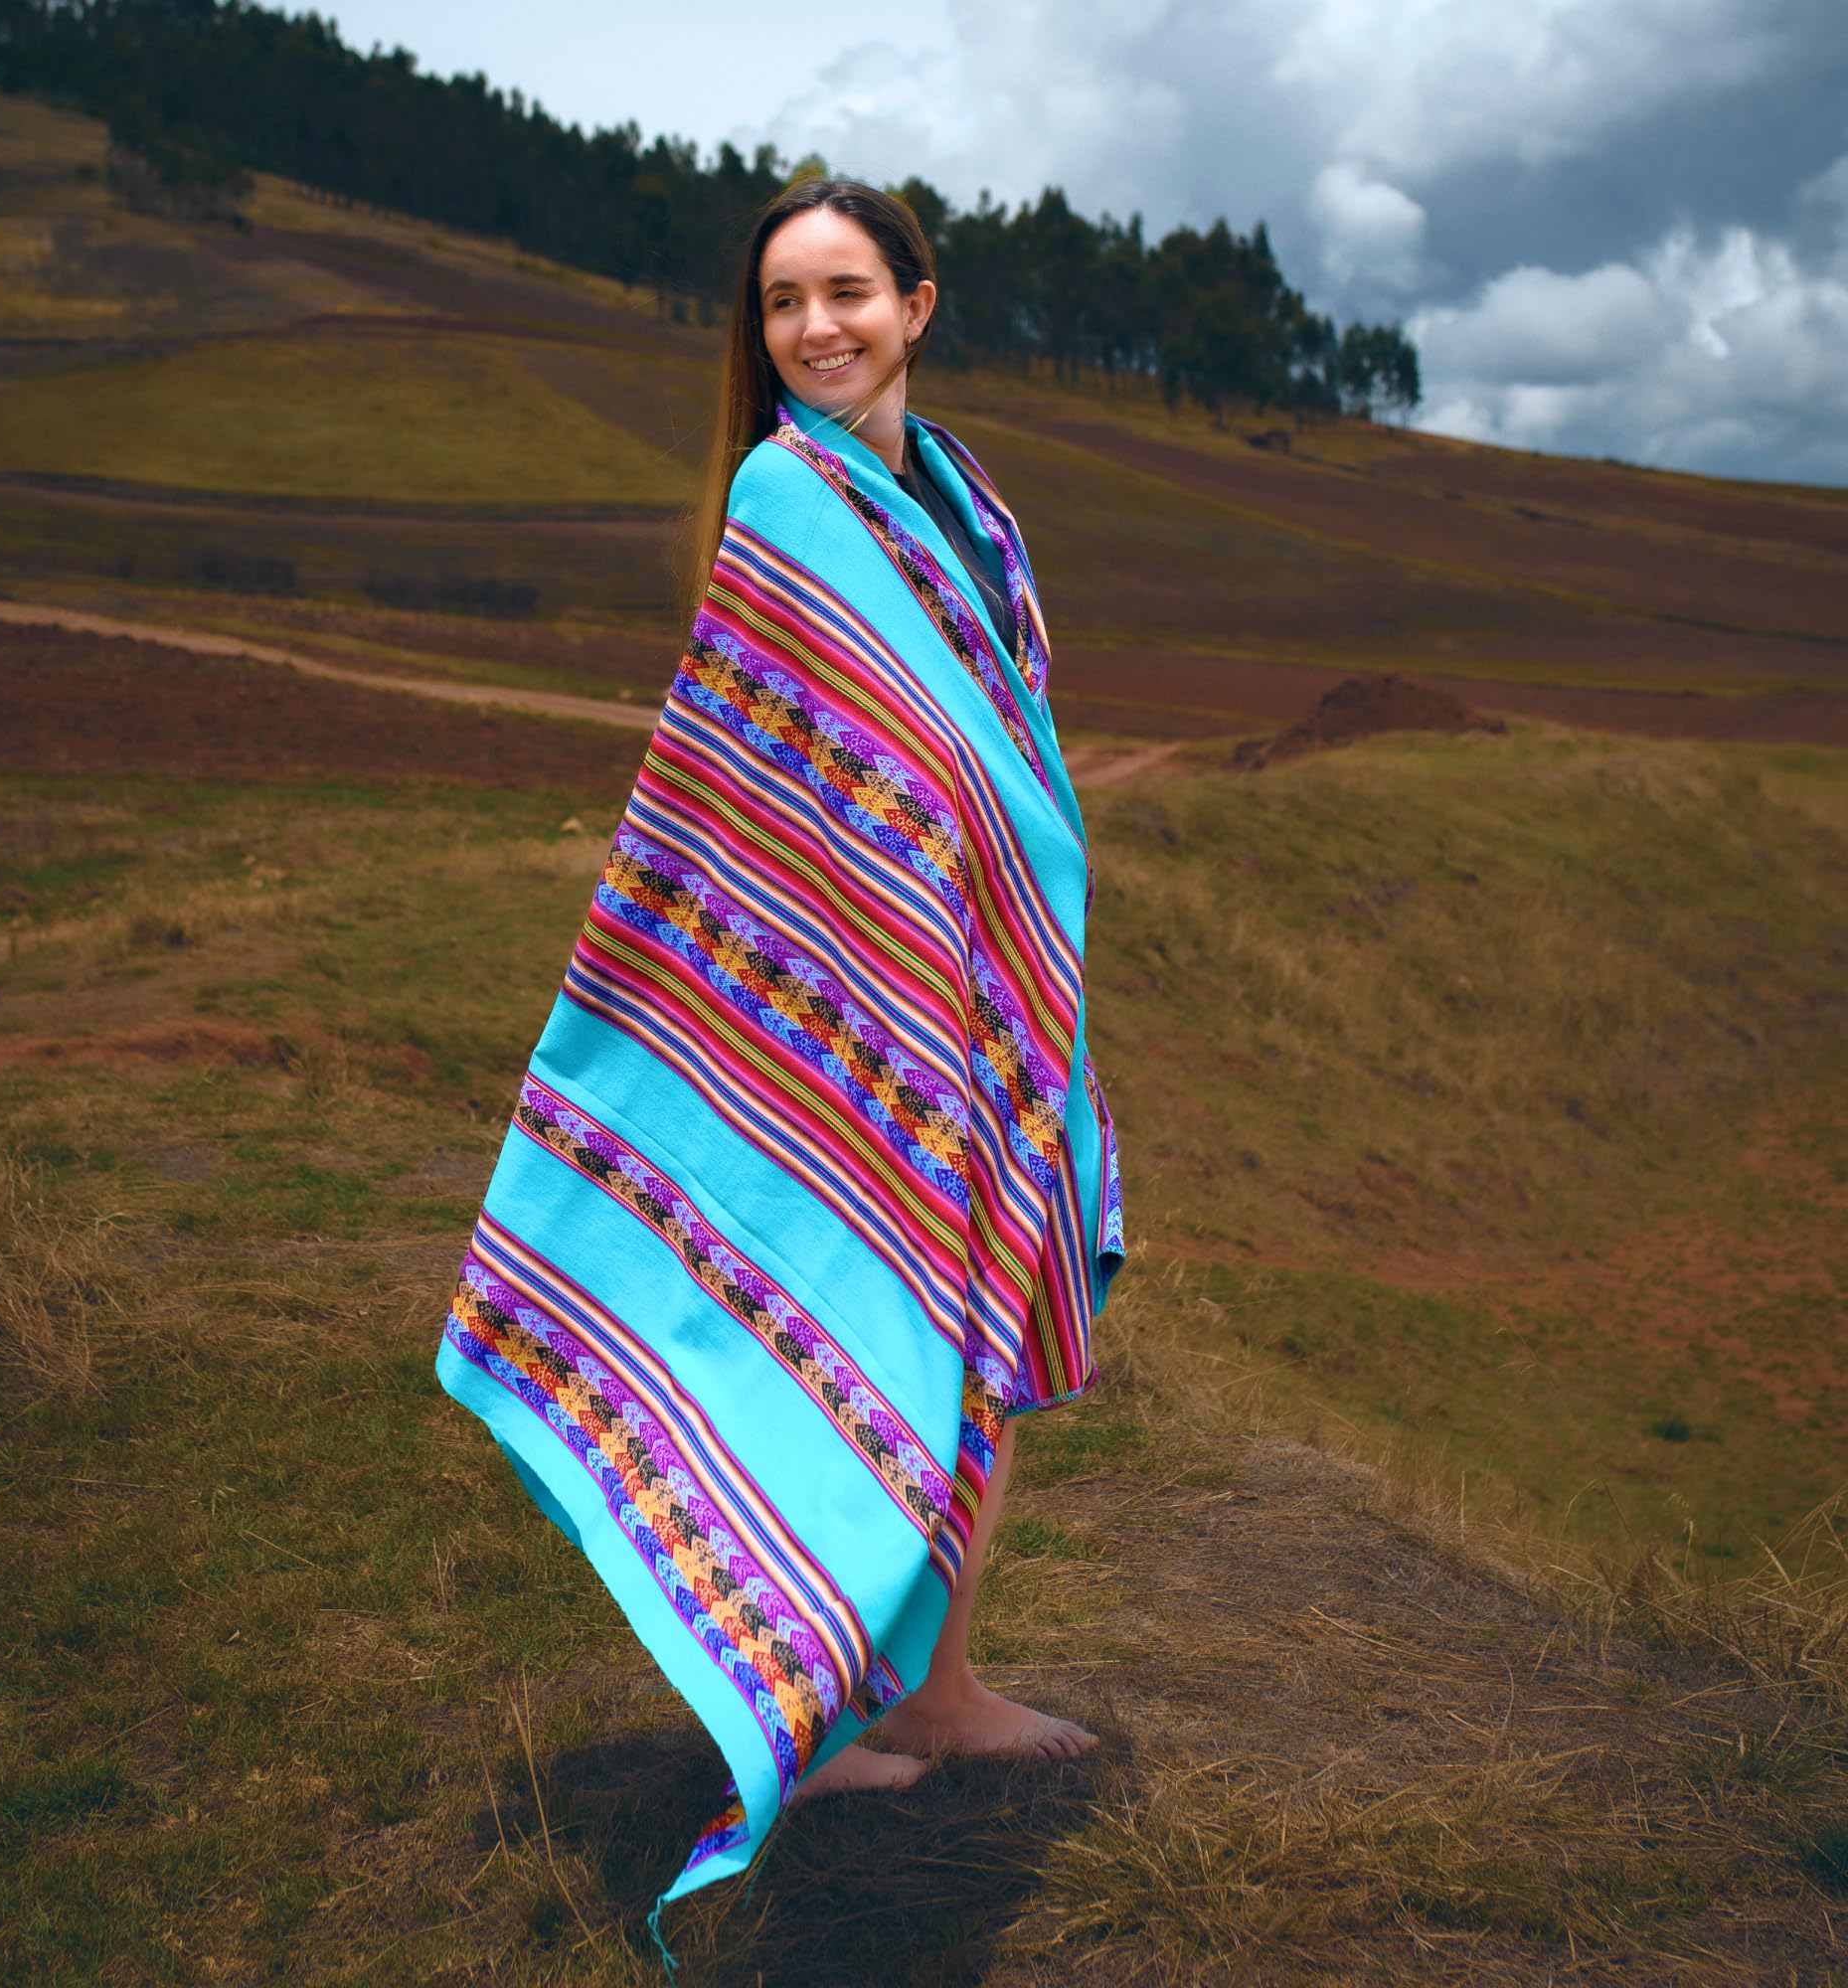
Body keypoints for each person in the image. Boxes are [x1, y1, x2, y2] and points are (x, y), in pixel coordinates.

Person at [437, 174, 1123, 1940]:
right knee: (835, 1332)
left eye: (846, 293)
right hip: (835, 995)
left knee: (966, 1340)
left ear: (920, 304)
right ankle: (807, 1715)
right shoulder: (783, 497)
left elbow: (995, 759)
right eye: (783, 306)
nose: (815, 329)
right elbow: (782, 774)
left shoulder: (967, 506)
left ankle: (940, 1689)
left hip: (975, 995)